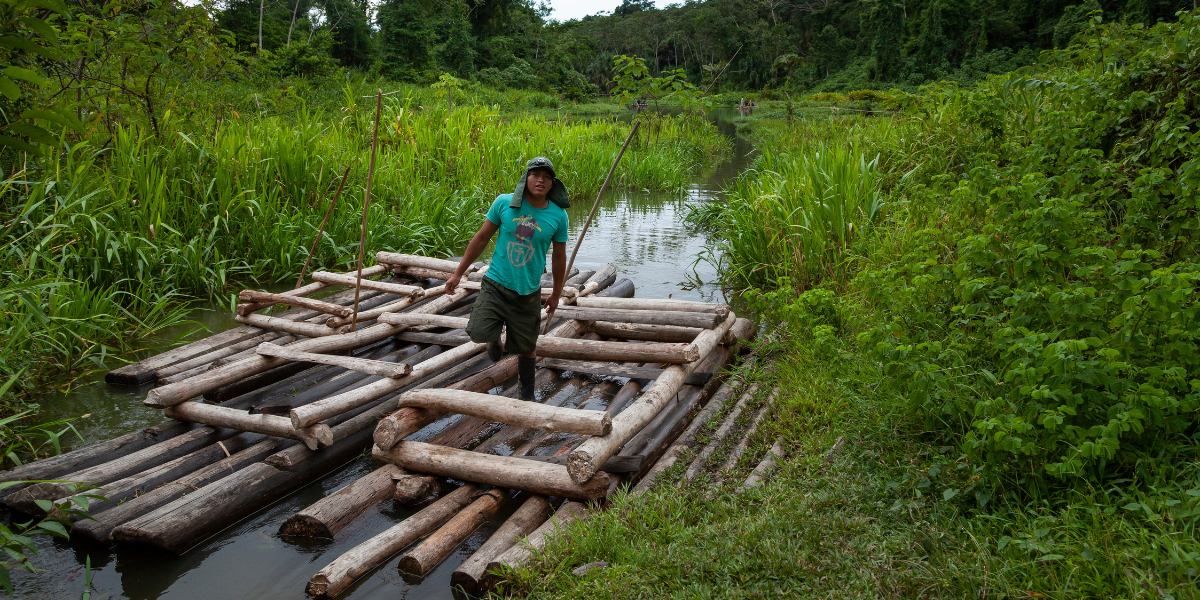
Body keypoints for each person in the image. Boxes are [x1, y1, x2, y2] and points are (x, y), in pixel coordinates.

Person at [444, 157, 570, 401]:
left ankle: (527, 396)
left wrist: (556, 294)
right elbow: (481, 238)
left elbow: (559, 258)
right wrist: (458, 273)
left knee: (527, 348)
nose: (540, 179)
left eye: (546, 176)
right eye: (535, 174)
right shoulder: (504, 203)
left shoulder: (558, 216)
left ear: (553, 183)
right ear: (526, 178)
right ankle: (492, 338)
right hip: (496, 284)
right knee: (478, 331)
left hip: (528, 291)